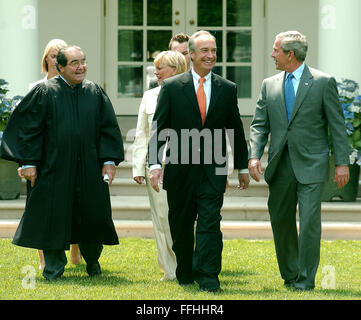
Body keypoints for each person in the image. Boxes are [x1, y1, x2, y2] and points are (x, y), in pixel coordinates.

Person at [0, 45, 124, 280]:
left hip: (89, 167)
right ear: (61, 67)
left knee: (92, 214)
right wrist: (28, 162)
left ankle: (92, 262)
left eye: (83, 61)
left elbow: (107, 128)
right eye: (75, 63)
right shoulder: (45, 92)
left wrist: (109, 160)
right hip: (53, 168)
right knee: (52, 217)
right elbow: (28, 130)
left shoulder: (94, 92)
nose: (81, 67)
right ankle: (53, 268)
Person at [148, 30, 249, 292]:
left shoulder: (227, 89)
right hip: (180, 167)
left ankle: (209, 275)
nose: (210, 55)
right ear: (191, 54)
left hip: (213, 167)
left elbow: (235, 130)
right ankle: (185, 269)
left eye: (213, 50)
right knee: (180, 225)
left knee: (209, 223)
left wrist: (242, 166)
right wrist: (155, 164)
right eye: (204, 50)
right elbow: (159, 128)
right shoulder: (171, 87)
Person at [248, 31, 350, 291]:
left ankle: (305, 280)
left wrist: (342, 163)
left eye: (275, 50)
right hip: (280, 165)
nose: (272, 55)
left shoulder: (323, 82)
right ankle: (290, 274)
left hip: (312, 165)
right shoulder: (268, 84)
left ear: (290, 54)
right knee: (280, 220)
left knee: (309, 223)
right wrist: (253, 155)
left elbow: (337, 127)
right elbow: (259, 125)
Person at [21, 39, 82, 270]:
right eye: (52, 55)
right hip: (45, 160)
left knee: (73, 209)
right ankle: (44, 259)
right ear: (46, 58)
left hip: (69, 159)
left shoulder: (76, 86)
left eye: (60, 55)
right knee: (42, 210)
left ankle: (75, 253)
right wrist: (27, 161)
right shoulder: (36, 88)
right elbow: (29, 127)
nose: (56, 59)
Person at [133, 50, 187, 280]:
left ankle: (186, 263)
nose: (155, 72)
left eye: (160, 68)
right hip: (156, 167)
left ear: (174, 69)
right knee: (161, 219)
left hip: (184, 164)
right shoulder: (149, 96)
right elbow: (142, 133)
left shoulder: (190, 93)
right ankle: (169, 269)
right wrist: (138, 166)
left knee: (181, 217)